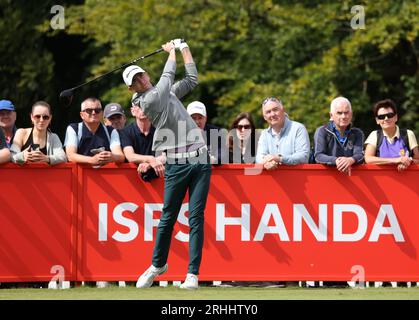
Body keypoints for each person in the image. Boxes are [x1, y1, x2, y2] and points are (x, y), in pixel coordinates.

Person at [123, 39, 211, 290]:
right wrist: (170, 51)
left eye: (141, 76)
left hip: (200, 159)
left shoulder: (167, 92)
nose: (141, 81)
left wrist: (184, 48)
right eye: (135, 82)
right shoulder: (147, 101)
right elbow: (167, 76)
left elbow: (192, 79)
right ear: (132, 90)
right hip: (176, 162)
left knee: (196, 217)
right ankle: (157, 265)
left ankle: (192, 274)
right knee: (168, 218)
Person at [64, 97, 125, 166]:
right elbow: (70, 156)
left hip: (106, 175)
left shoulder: (111, 131)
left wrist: (112, 157)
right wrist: (92, 160)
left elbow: (120, 156)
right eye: (89, 110)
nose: (93, 113)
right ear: (82, 115)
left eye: (97, 110)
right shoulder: (74, 129)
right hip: (80, 175)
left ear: (101, 113)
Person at [364, 99, 419, 171]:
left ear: (396, 117)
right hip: (381, 180)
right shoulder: (374, 135)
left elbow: (417, 159)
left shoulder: (408, 134)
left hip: (406, 180)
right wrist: (396, 160)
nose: (386, 119)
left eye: (389, 115)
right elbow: (368, 159)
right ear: (377, 120)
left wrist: (409, 162)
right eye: (381, 117)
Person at [313, 97, 364, 173]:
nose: (343, 116)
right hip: (326, 177)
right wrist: (336, 160)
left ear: (351, 114)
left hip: (352, 178)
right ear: (331, 115)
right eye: (339, 113)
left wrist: (351, 160)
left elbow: (360, 155)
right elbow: (318, 156)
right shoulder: (322, 131)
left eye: (346, 112)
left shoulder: (357, 133)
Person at [256, 97, 310, 169]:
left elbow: (303, 157)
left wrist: (279, 158)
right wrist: (266, 163)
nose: (272, 114)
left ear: (283, 110)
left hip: (297, 178)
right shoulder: (264, 134)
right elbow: (259, 158)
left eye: (275, 110)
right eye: (268, 112)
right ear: (265, 117)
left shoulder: (298, 128)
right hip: (273, 179)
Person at [10, 101, 67, 165]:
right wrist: (23, 156)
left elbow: (63, 157)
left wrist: (47, 158)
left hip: (46, 174)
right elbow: (11, 155)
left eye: (45, 117)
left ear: (50, 118)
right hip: (23, 174)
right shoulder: (22, 133)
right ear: (31, 117)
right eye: (37, 116)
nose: (41, 120)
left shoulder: (53, 137)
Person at [121, 97, 165, 179]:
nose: (143, 109)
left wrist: (149, 164)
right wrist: (150, 159)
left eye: (146, 105)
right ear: (132, 111)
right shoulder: (125, 132)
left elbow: (165, 155)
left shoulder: (161, 130)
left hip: (159, 180)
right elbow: (130, 156)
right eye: (139, 106)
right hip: (131, 180)